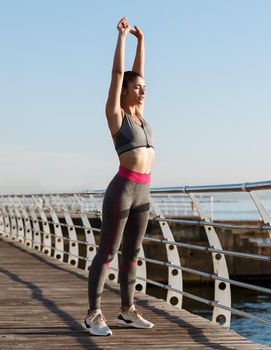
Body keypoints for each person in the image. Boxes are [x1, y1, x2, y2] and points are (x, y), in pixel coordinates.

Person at [82, 17, 155, 336]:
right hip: (123, 189)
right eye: (137, 88)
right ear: (124, 91)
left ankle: (127, 310)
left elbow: (138, 74)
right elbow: (118, 75)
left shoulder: (140, 116)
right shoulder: (117, 115)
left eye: (144, 88)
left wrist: (143, 42)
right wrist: (123, 37)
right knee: (108, 252)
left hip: (144, 193)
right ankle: (93, 314)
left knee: (133, 253)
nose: (142, 91)